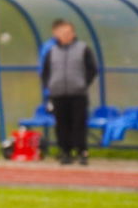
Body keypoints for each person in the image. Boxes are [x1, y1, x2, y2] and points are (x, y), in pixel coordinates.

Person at [41, 19, 97, 165]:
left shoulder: (83, 49)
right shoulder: (51, 51)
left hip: (78, 94)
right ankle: (65, 151)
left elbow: (92, 69)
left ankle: (81, 151)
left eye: (68, 32)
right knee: (61, 124)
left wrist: (83, 84)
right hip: (58, 94)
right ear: (56, 34)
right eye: (62, 33)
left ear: (73, 33)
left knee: (79, 123)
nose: (66, 35)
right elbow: (46, 72)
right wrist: (50, 86)